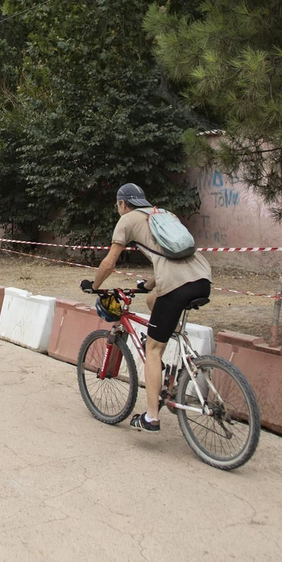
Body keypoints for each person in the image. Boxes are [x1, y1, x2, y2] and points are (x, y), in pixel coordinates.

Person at [84, 182, 213, 433]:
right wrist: (149, 284)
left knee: (152, 350)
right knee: (153, 299)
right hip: (202, 280)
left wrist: (94, 285)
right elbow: (171, 256)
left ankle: (151, 417)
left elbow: (110, 262)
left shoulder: (127, 220)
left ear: (123, 203)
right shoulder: (164, 214)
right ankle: (174, 362)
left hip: (176, 286)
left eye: (118, 204)